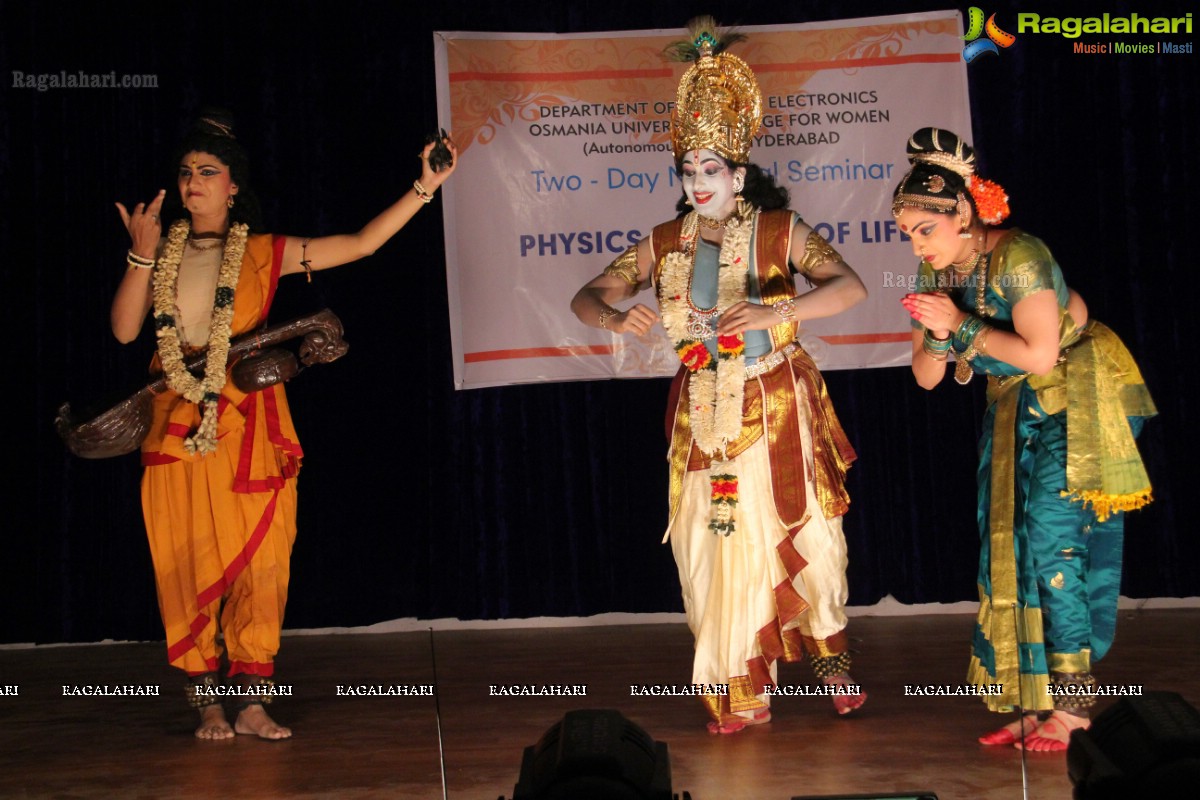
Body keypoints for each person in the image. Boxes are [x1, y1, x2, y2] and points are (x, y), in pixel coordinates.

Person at [111, 111, 456, 740]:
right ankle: (206, 703)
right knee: (181, 559)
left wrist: (425, 187)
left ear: (233, 185)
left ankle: (251, 703)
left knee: (261, 562)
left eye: (207, 172)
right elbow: (127, 332)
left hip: (249, 423)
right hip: (173, 424)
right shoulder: (158, 252)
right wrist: (139, 252)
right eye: (186, 172)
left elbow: (361, 245)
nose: (193, 182)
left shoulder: (266, 253)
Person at [571, 19, 867, 734]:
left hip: (778, 406)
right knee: (711, 549)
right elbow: (587, 297)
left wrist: (778, 308)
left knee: (809, 541)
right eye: (688, 171)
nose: (698, 182)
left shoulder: (779, 230)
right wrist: (615, 320)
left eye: (711, 171)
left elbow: (851, 286)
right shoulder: (663, 243)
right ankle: (741, 693)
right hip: (703, 412)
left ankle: (831, 667)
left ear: (737, 175)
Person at [896, 127, 1155, 751]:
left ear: (962, 213)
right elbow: (928, 378)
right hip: (1017, 407)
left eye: (924, 230)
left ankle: (1075, 710)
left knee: (1051, 541)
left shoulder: (1021, 257)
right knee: (1010, 547)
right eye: (906, 233)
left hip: (1080, 395)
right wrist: (939, 328)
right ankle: (1036, 699)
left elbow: (1040, 356)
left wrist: (959, 325)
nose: (915, 243)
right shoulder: (937, 277)